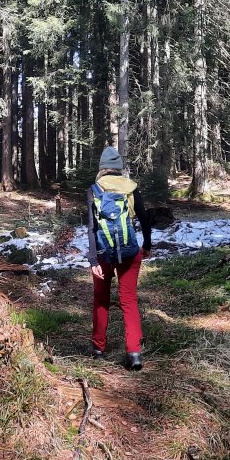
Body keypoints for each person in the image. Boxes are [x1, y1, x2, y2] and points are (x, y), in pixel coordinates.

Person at [87, 147, 152, 370]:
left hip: (103, 253)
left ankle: (98, 348)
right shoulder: (131, 187)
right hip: (129, 252)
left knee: (101, 299)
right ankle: (134, 353)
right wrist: (147, 245)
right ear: (119, 168)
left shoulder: (94, 190)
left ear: (102, 168)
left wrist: (93, 261)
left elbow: (92, 228)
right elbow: (144, 219)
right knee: (129, 300)